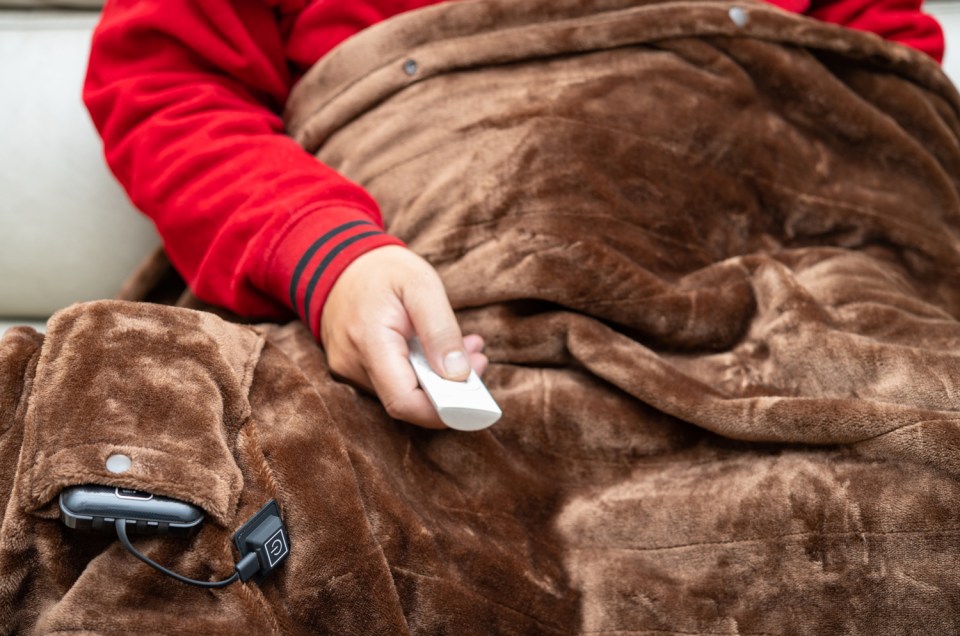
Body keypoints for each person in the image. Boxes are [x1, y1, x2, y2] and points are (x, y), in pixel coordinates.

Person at [83, 0, 945, 429]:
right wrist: (328, 259)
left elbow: (885, 80)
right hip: (425, 297)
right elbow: (164, 84)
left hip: (800, 278)